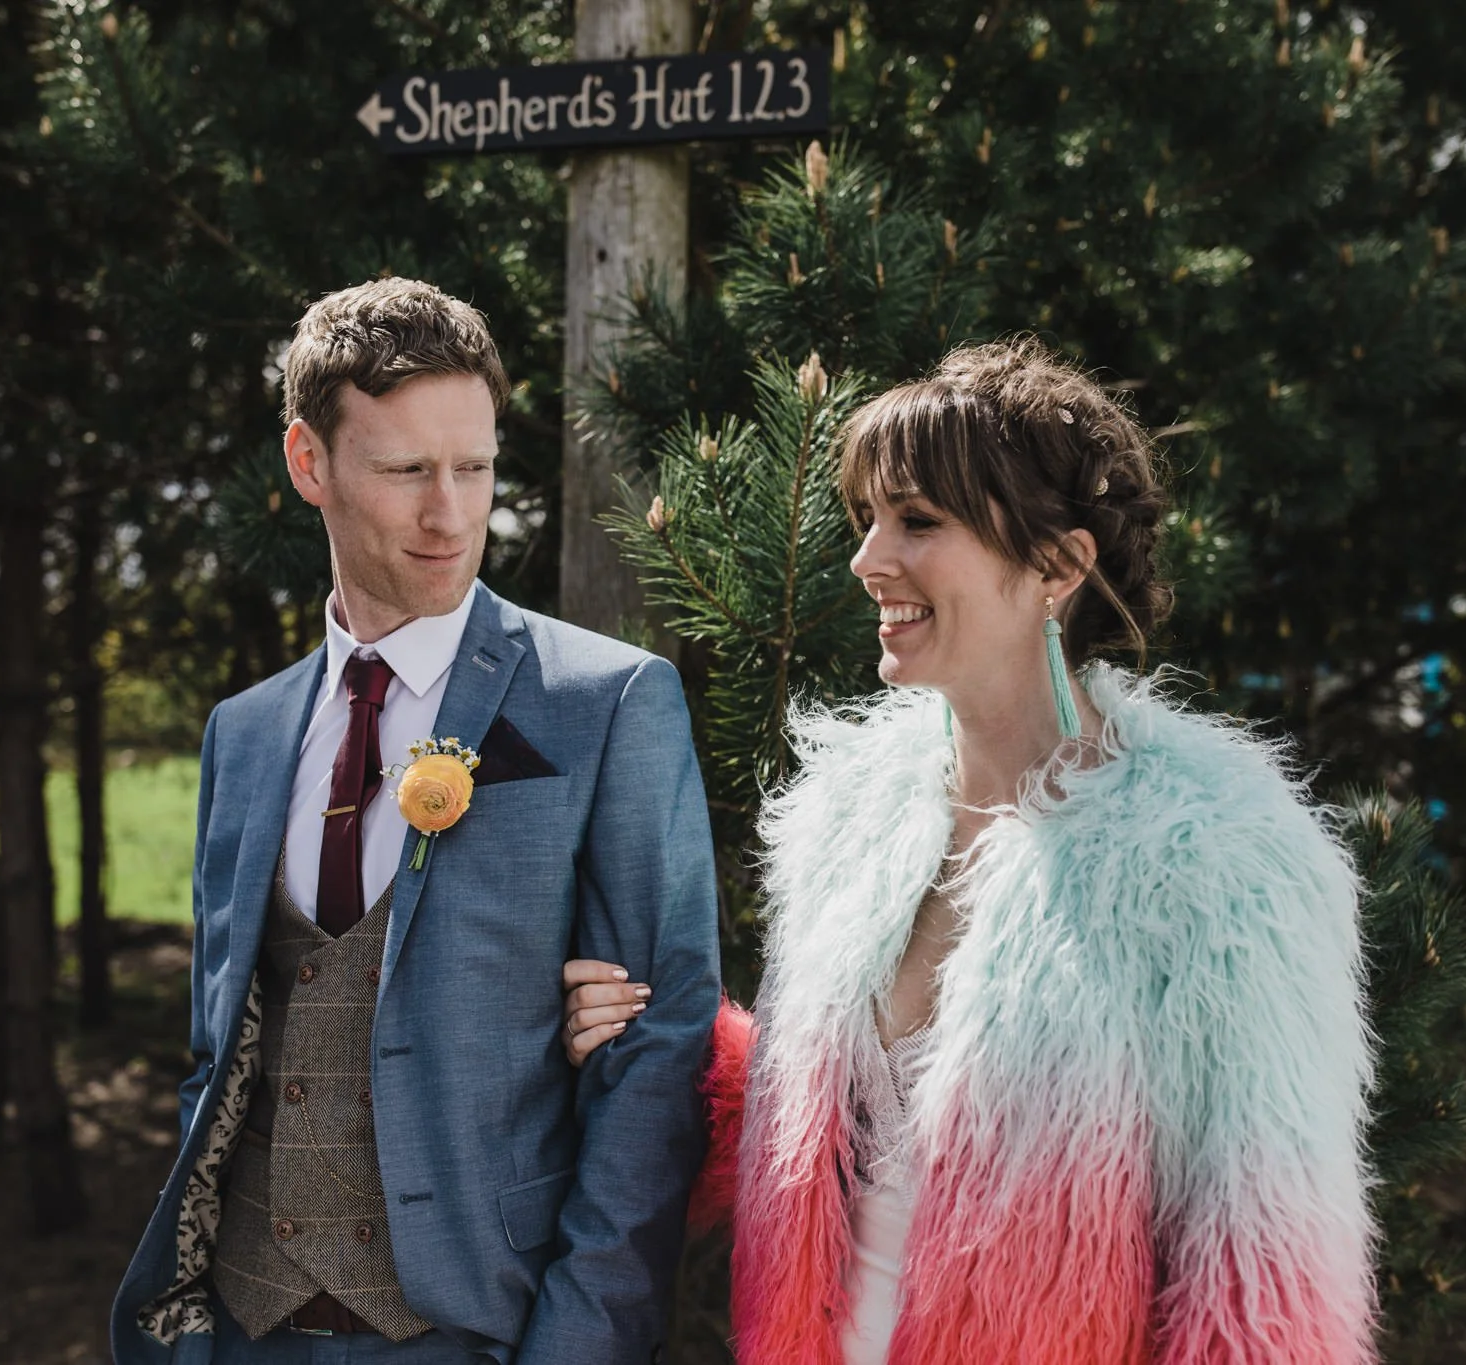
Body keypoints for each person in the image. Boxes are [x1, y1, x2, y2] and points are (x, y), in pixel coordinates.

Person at [562, 338, 1377, 1364]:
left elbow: (1263, 1281)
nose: (867, 560)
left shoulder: (1219, 864)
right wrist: (654, 1038)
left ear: (1057, 567)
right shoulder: (846, 815)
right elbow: (816, 1123)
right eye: (867, 518)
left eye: (917, 521)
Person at [112, 277, 720, 1365]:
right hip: (245, 1329)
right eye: (405, 472)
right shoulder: (242, 733)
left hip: (477, 1330)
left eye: (474, 468)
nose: (452, 514)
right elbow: (220, 1049)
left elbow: (658, 1055)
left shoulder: (606, 701)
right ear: (309, 464)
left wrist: (579, 1346)